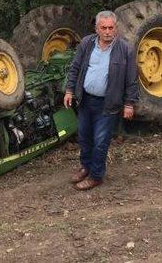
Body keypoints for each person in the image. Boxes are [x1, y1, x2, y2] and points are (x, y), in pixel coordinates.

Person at [64, 10, 139, 190]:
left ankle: (96, 176)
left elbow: (131, 79)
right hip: (85, 100)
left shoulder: (125, 50)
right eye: (103, 28)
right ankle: (86, 167)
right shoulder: (86, 44)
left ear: (116, 28)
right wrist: (69, 91)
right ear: (96, 28)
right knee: (84, 137)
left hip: (108, 104)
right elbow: (75, 68)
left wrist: (129, 103)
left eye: (111, 28)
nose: (107, 31)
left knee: (100, 141)